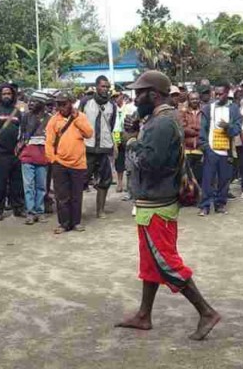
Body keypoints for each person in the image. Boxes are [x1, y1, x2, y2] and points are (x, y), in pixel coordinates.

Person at [116, 70, 220, 341]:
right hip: (153, 202)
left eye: (139, 93)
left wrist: (131, 140)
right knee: (151, 263)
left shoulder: (161, 123)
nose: (135, 98)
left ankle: (206, 312)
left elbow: (149, 163)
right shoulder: (160, 119)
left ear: (153, 95)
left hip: (157, 204)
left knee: (165, 262)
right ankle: (144, 315)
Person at [45, 91, 93, 234]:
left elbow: (89, 133)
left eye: (64, 104)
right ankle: (64, 223)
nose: (61, 107)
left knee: (76, 195)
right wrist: (53, 159)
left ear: (70, 104)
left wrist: (76, 119)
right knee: (62, 196)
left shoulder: (81, 117)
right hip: (60, 163)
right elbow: (49, 142)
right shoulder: (54, 120)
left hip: (78, 163)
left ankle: (76, 222)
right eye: (59, 104)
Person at [198, 82, 242, 216]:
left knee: (224, 179)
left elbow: (237, 129)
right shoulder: (208, 109)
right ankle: (205, 206)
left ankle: (220, 204)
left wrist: (228, 127)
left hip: (226, 151)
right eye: (215, 94)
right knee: (208, 179)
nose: (217, 96)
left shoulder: (234, 109)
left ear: (227, 93)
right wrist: (206, 147)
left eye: (220, 94)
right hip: (211, 150)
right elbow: (203, 129)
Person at [0, 83, 24, 220]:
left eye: (9, 94)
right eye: (4, 94)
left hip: (15, 154)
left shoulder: (17, 111)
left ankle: (18, 208)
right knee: (0, 184)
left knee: (17, 183)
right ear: (0, 95)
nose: (7, 96)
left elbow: (21, 130)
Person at [79, 76, 117, 219]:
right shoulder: (86, 102)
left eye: (107, 87)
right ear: (96, 87)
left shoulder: (112, 105)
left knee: (105, 180)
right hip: (87, 147)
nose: (105, 89)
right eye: (102, 86)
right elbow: (78, 122)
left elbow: (111, 125)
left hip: (104, 148)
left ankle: (100, 210)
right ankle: (77, 211)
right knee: (81, 180)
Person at [18, 91, 51, 225]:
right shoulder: (26, 117)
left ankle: (40, 211)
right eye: (30, 101)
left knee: (41, 186)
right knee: (28, 186)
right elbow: (21, 135)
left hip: (43, 156)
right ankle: (30, 212)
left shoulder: (50, 119)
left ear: (42, 104)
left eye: (35, 101)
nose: (31, 103)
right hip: (27, 156)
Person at [179, 92, 203, 185]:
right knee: (186, 178)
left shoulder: (203, 112)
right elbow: (183, 128)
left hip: (200, 149)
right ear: (188, 100)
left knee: (199, 177)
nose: (195, 101)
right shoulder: (183, 112)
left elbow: (205, 127)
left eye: (196, 99)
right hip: (187, 149)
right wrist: (198, 132)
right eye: (192, 99)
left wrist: (192, 127)